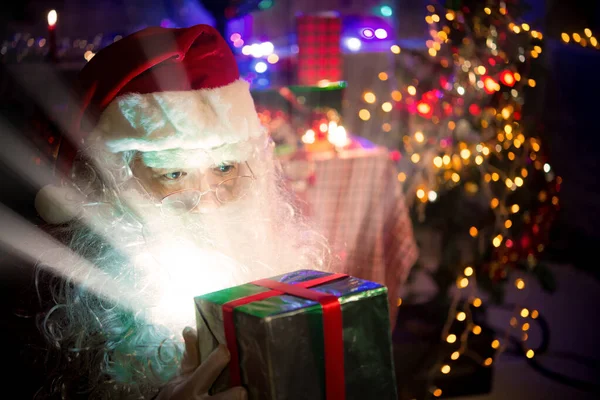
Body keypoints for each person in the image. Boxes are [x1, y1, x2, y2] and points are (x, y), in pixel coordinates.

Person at [32, 24, 331, 399]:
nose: (207, 201)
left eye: (225, 168)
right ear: (115, 183)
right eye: (174, 173)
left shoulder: (286, 268)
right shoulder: (52, 304)